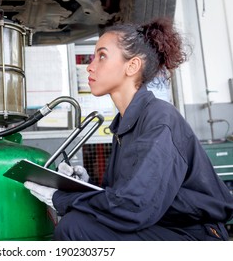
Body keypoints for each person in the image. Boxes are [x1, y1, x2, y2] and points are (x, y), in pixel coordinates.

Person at [24, 17, 233, 240]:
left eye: (102, 56)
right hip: (162, 224)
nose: (90, 66)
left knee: (76, 227)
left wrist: (61, 198)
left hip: (197, 234)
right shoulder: (125, 124)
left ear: (132, 66)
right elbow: (122, 196)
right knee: (78, 222)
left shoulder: (159, 119)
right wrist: (82, 186)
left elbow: (133, 207)